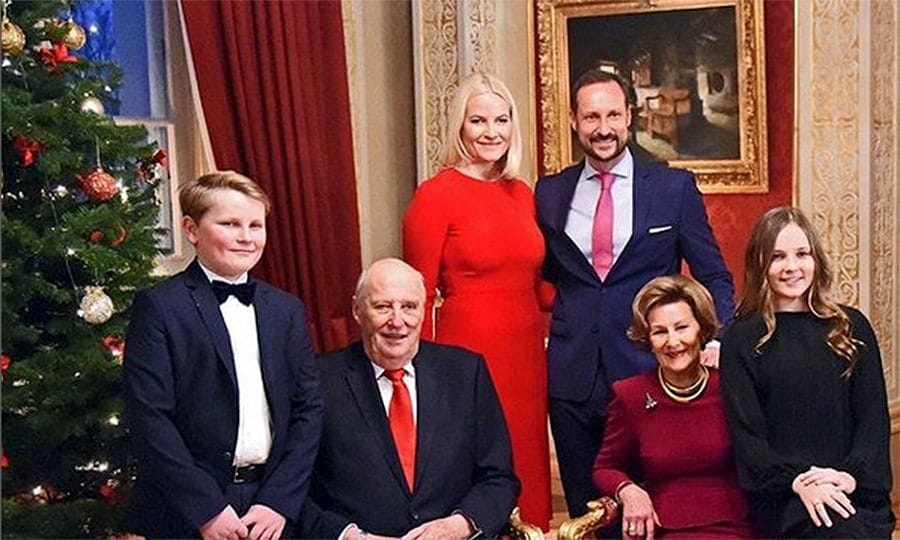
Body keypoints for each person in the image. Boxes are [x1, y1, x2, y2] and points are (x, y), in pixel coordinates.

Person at [535, 68, 735, 517]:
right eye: (590, 117)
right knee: (589, 514)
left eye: (612, 115)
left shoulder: (672, 189)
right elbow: (543, 275)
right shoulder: (549, 193)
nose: (602, 129)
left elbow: (716, 277)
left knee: (655, 510)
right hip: (573, 378)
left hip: (650, 372)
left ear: (630, 115)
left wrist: (716, 339)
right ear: (573, 120)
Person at [123, 171, 323, 540]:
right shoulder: (160, 307)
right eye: (230, 224)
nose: (246, 237)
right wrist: (207, 509)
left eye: (255, 225)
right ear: (191, 229)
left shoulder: (286, 310)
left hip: (269, 503)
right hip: (188, 509)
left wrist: (278, 500)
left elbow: (307, 410)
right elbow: (149, 417)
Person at [403, 72, 552, 528]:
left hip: (526, 353)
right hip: (467, 351)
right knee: (476, 458)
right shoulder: (435, 194)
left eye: (501, 119)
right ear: (460, 128)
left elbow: (538, 282)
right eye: (478, 121)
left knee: (526, 460)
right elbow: (418, 295)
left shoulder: (522, 193)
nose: (492, 132)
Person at [297, 258, 519, 539]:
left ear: (425, 309)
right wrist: (350, 536)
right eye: (382, 307)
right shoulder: (317, 380)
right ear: (357, 310)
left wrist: (458, 526)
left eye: (409, 307)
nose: (397, 321)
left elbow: (499, 478)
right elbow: (295, 488)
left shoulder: (465, 373)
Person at [720, 206, 894, 538]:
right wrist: (801, 481)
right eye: (777, 257)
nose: (791, 267)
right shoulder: (742, 338)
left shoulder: (851, 326)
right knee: (837, 530)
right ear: (760, 265)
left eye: (802, 254)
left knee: (850, 527)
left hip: (854, 488)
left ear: (816, 259)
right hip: (787, 496)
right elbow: (749, 439)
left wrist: (849, 476)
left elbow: (873, 421)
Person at [593, 275, 756, 539]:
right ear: (648, 338)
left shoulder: (731, 386)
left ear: (701, 329)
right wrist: (629, 490)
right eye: (660, 331)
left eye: (681, 328)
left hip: (736, 527)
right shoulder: (630, 394)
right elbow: (605, 468)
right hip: (666, 528)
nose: (673, 342)